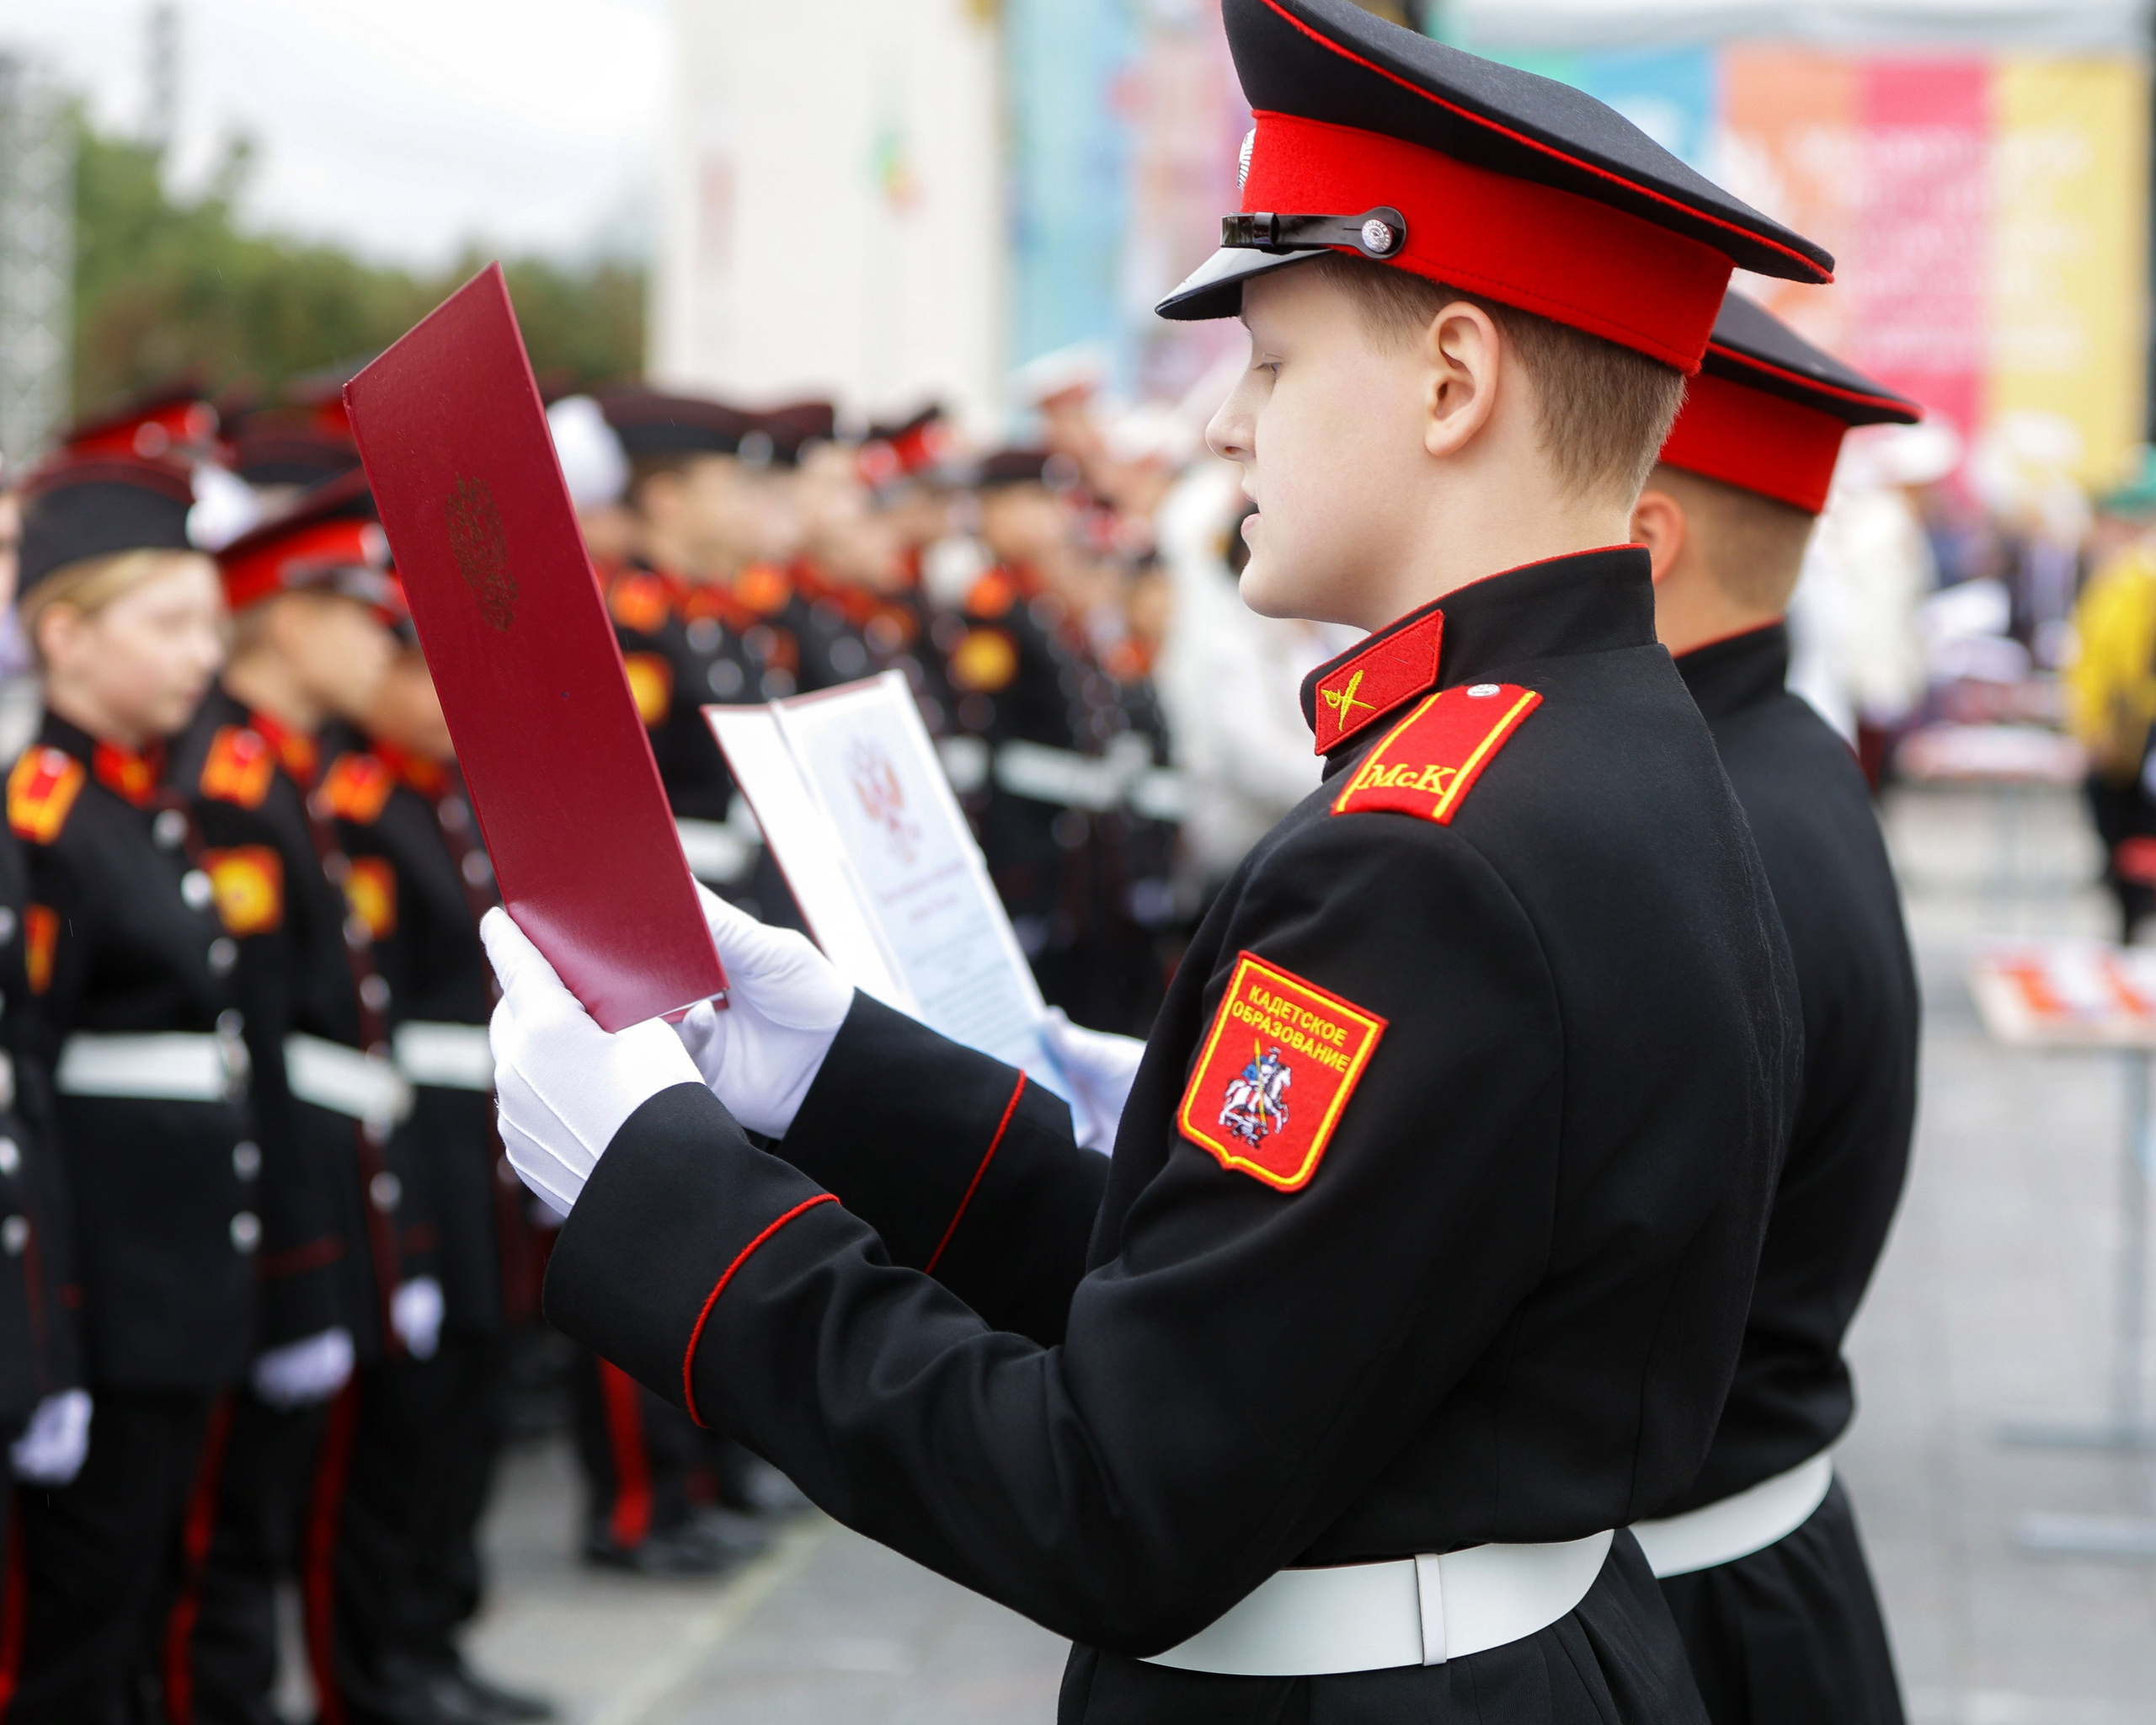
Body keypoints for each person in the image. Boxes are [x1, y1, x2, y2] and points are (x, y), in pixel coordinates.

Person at [482, 5, 1833, 1722]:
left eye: (1268, 362)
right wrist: (835, 1070)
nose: (1222, 429)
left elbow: (1115, 1489)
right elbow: (1223, 1300)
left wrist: (656, 1187)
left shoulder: (1430, 856)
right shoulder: (1607, 739)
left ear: (1449, 380)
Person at [1625, 290, 1921, 1724]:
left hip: (1689, 1623)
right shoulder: (1776, 762)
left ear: (1641, 544)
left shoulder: (1694, 837)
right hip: (1756, 1578)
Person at [5, 451, 275, 1718]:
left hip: (175, 1286)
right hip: (103, 1295)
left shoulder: (143, 812)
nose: (200, 657)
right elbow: (30, 1095)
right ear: (62, 632)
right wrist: (47, 1338)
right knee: (80, 1616)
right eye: (168, 625)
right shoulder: (46, 820)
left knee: (152, 1591)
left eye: (211, 627)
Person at [173, 473, 445, 1724]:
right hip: (273, 1190)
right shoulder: (233, 782)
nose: (385, 641)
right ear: (287, 621)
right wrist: (297, 1256)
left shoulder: (285, 770)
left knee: (295, 1500)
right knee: (230, 1531)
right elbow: (263, 1037)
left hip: (337, 1169)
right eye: (362, 616)